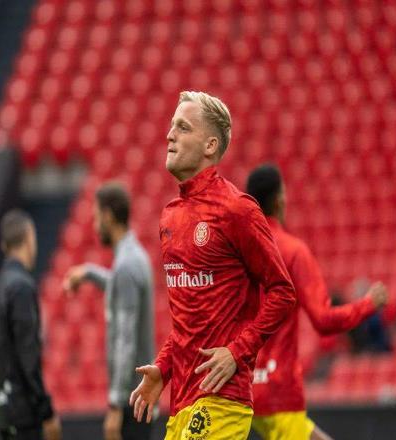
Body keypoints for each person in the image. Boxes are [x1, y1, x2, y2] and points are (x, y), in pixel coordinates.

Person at [129, 91, 297, 439]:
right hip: (182, 402)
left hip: (223, 398)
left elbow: (283, 292)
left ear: (210, 145)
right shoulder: (170, 216)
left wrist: (237, 352)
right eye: (171, 126)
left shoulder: (237, 210)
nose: (169, 135)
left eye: (182, 127)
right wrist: (164, 368)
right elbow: (191, 319)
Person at [245, 164, 388, 440]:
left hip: (237, 386)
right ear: (279, 200)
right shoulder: (293, 251)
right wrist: (368, 304)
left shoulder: (235, 250)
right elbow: (323, 320)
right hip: (277, 388)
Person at [63, 182, 154, 440]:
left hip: (131, 402)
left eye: (96, 217)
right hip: (138, 397)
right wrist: (88, 273)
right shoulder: (133, 256)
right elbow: (118, 284)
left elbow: (125, 341)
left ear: (108, 216)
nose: (94, 226)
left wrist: (115, 404)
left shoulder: (126, 265)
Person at [0, 210, 61, 440]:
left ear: (4, 245)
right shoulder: (21, 287)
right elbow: (28, 357)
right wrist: (46, 411)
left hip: (4, 409)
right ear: (29, 238)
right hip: (25, 413)